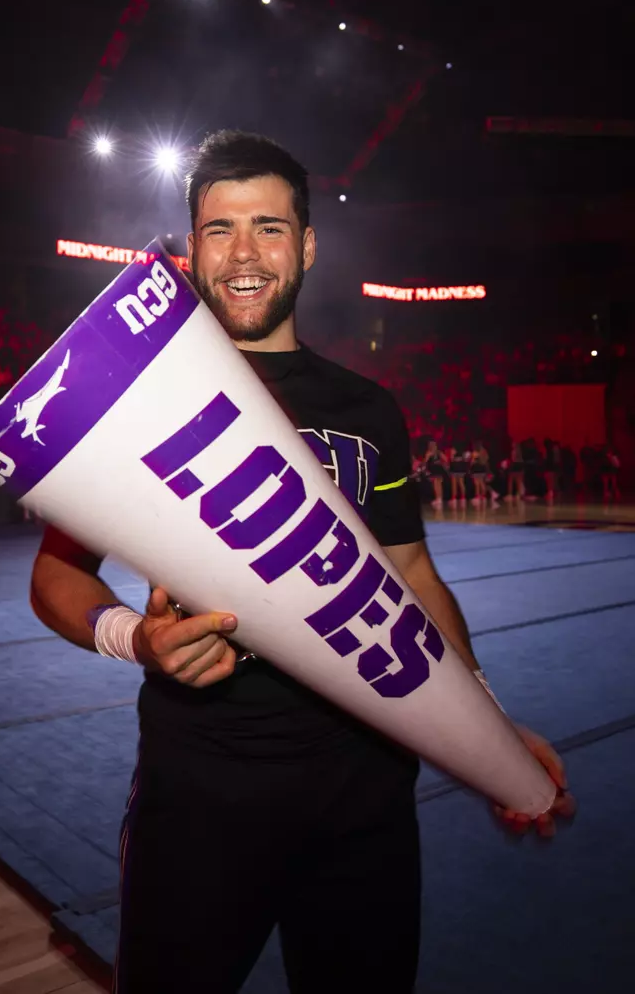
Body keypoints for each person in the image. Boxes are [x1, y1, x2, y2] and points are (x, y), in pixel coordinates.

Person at [30, 131, 574, 994]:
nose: (243, 253)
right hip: (200, 800)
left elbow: (412, 576)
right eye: (219, 230)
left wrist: (489, 725)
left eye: (269, 227)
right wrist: (134, 638)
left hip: (365, 800)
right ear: (190, 248)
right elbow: (53, 576)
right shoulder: (138, 405)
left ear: (307, 244)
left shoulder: (369, 409)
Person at [423, 438, 447, 509]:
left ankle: (438, 499)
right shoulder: (431, 453)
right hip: (434, 470)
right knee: (437, 484)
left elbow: (445, 459)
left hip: (437, 470)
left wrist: (441, 463)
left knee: (437, 484)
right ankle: (439, 499)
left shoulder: (437, 452)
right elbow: (425, 461)